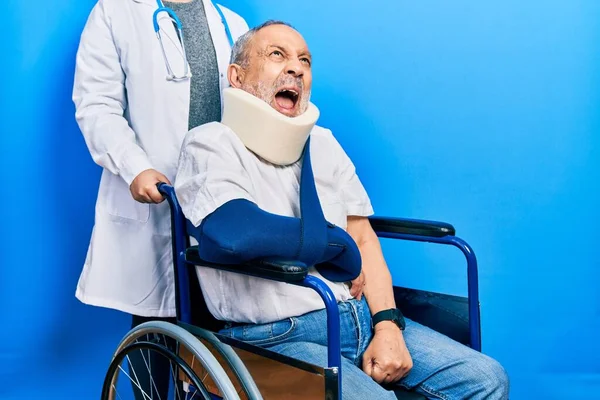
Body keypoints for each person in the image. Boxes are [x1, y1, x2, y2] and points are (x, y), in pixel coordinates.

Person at [174, 20, 510, 399]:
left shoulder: (323, 143)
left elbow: (363, 238)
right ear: (237, 76)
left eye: (305, 60)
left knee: (487, 378)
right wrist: (336, 245)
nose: (296, 68)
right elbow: (235, 234)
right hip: (275, 336)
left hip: (359, 319)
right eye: (277, 55)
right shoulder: (211, 143)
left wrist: (387, 326)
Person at [72, 0, 248, 398]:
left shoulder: (231, 23)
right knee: (156, 338)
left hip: (221, 204)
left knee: (221, 353)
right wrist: (135, 167)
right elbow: (96, 105)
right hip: (157, 200)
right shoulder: (115, 12)